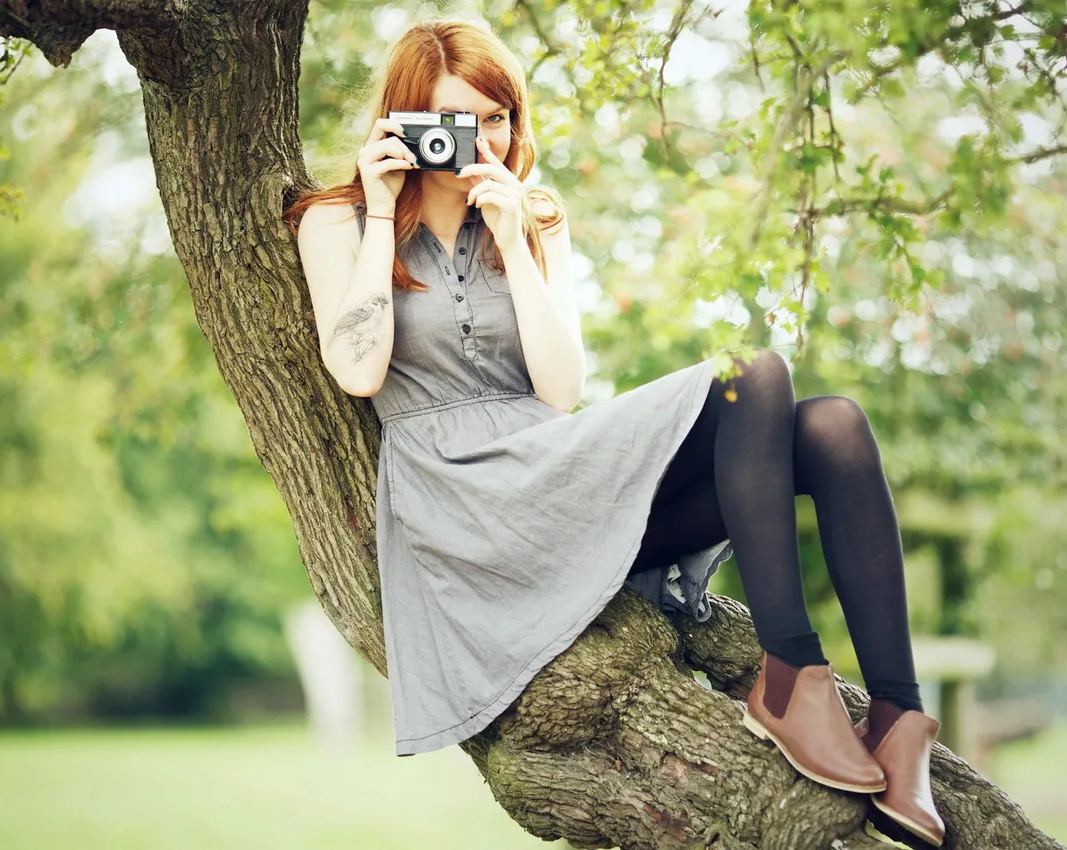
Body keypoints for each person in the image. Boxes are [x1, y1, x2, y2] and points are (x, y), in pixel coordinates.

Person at [285, 16, 944, 847]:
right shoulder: (337, 221)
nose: (480, 142)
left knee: (835, 429)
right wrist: (382, 214)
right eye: (455, 122)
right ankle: (791, 677)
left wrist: (517, 240)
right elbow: (358, 372)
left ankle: (898, 716)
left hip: (555, 469)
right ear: (404, 122)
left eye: (498, 120)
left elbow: (560, 390)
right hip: (469, 508)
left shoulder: (532, 215)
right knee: (755, 371)